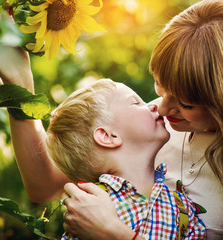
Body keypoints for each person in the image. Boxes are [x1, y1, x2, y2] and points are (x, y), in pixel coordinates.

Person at [0, 0, 223, 239]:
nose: (162, 109)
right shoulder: (164, 124)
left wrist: (116, 236)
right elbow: (44, 184)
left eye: (185, 103)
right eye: (159, 88)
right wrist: (18, 87)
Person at [45, 78, 206, 239]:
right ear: (108, 136)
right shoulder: (87, 211)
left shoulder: (183, 208)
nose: (154, 105)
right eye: (136, 103)